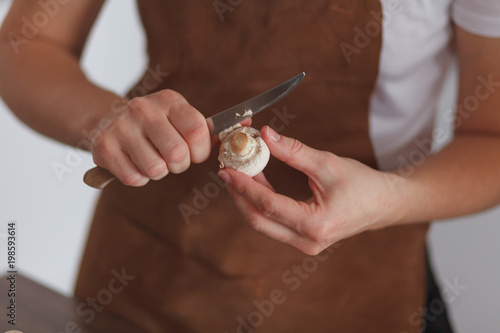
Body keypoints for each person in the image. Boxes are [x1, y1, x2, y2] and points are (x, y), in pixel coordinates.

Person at [1, 0, 499, 332]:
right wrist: (103, 120)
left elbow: (490, 139)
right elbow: (23, 47)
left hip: (355, 292)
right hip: (143, 277)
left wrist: (389, 198)